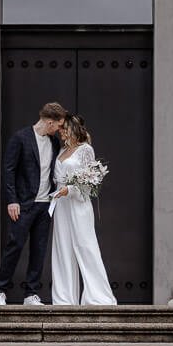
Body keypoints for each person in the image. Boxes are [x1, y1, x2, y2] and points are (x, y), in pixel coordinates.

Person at [0, 102, 68, 305]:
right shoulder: (20, 138)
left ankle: (31, 294)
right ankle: (0, 290)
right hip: (23, 204)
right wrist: (12, 200)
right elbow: (9, 171)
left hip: (45, 206)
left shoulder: (53, 143)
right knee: (14, 245)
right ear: (50, 122)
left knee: (39, 249)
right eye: (59, 126)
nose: (60, 130)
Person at [48, 115, 118, 306]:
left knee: (86, 247)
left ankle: (98, 297)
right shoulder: (62, 150)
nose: (60, 131)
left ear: (72, 128)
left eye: (63, 128)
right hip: (61, 205)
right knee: (62, 249)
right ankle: (63, 299)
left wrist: (70, 189)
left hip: (78, 204)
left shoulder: (85, 150)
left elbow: (89, 181)